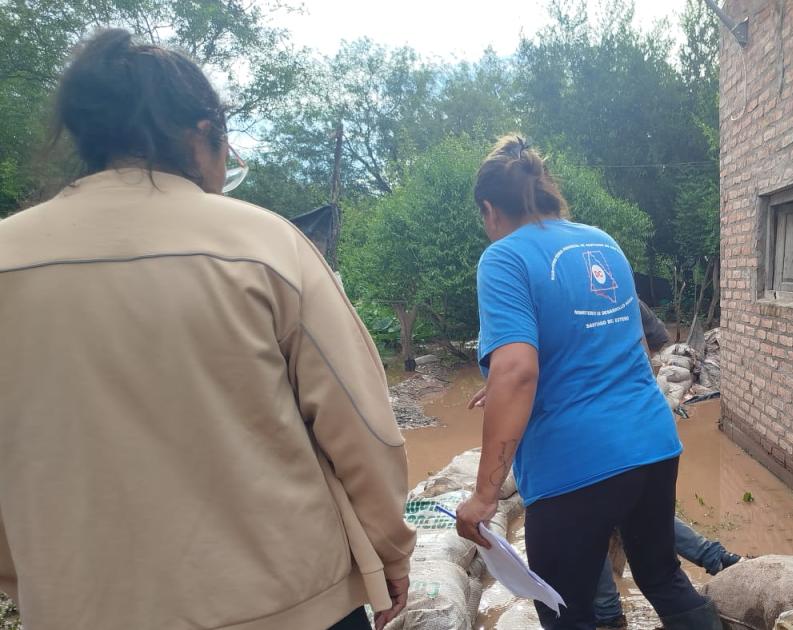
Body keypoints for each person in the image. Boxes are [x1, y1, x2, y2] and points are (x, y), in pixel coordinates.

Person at [0, 29, 414, 630]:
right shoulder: (264, 244)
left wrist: (28, 580)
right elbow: (363, 428)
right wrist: (390, 550)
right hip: (289, 605)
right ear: (203, 134)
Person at [453, 135, 722, 630]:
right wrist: (507, 383)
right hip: (652, 444)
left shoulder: (503, 259)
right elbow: (623, 348)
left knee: (564, 610)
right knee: (663, 577)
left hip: (575, 466)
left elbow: (518, 370)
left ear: (490, 209)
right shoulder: (601, 241)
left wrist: (486, 496)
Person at [593, 302, 741, 627]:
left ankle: (606, 615)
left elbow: (522, 373)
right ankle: (719, 558)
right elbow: (659, 344)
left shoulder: (531, 277)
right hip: (649, 430)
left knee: (589, 525)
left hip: (597, 436)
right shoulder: (617, 286)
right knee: (648, 530)